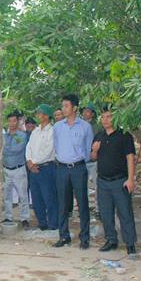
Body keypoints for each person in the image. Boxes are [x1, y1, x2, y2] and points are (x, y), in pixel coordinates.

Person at [91, 107, 137, 255]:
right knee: (105, 213)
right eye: (103, 117)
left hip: (120, 180)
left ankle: (130, 244)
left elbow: (130, 158)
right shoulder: (99, 136)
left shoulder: (124, 135)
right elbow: (93, 158)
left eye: (109, 117)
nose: (105, 120)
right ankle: (111, 240)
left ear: (115, 118)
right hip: (102, 181)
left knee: (125, 213)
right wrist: (95, 150)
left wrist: (130, 179)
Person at [53, 94, 94, 249]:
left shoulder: (85, 127)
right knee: (62, 204)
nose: (63, 109)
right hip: (62, 168)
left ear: (75, 108)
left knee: (82, 203)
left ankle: (85, 238)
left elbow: (88, 149)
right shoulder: (57, 127)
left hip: (78, 168)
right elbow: (56, 146)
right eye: (62, 105)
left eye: (66, 106)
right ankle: (64, 236)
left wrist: (79, 161)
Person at [26, 105, 58, 231]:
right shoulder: (36, 131)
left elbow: (49, 150)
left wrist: (34, 162)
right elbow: (29, 147)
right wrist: (29, 161)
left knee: (49, 197)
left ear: (46, 115)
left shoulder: (52, 131)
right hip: (33, 169)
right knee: (36, 197)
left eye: (40, 113)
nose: (38, 116)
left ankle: (53, 223)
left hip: (46, 168)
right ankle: (42, 223)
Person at [2, 112, 30, 228]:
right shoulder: (4, 136)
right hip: (6, 170)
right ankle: (8, 217)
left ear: (18, 122)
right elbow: (1, 150)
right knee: (6, 196)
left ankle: (25, 218)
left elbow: (16, 149)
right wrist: (5, 149)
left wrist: (5, 148)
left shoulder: (22, 135)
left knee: (23, 195)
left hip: (19, 169)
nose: (12, 123)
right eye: (10, 121)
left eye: (14, 121)